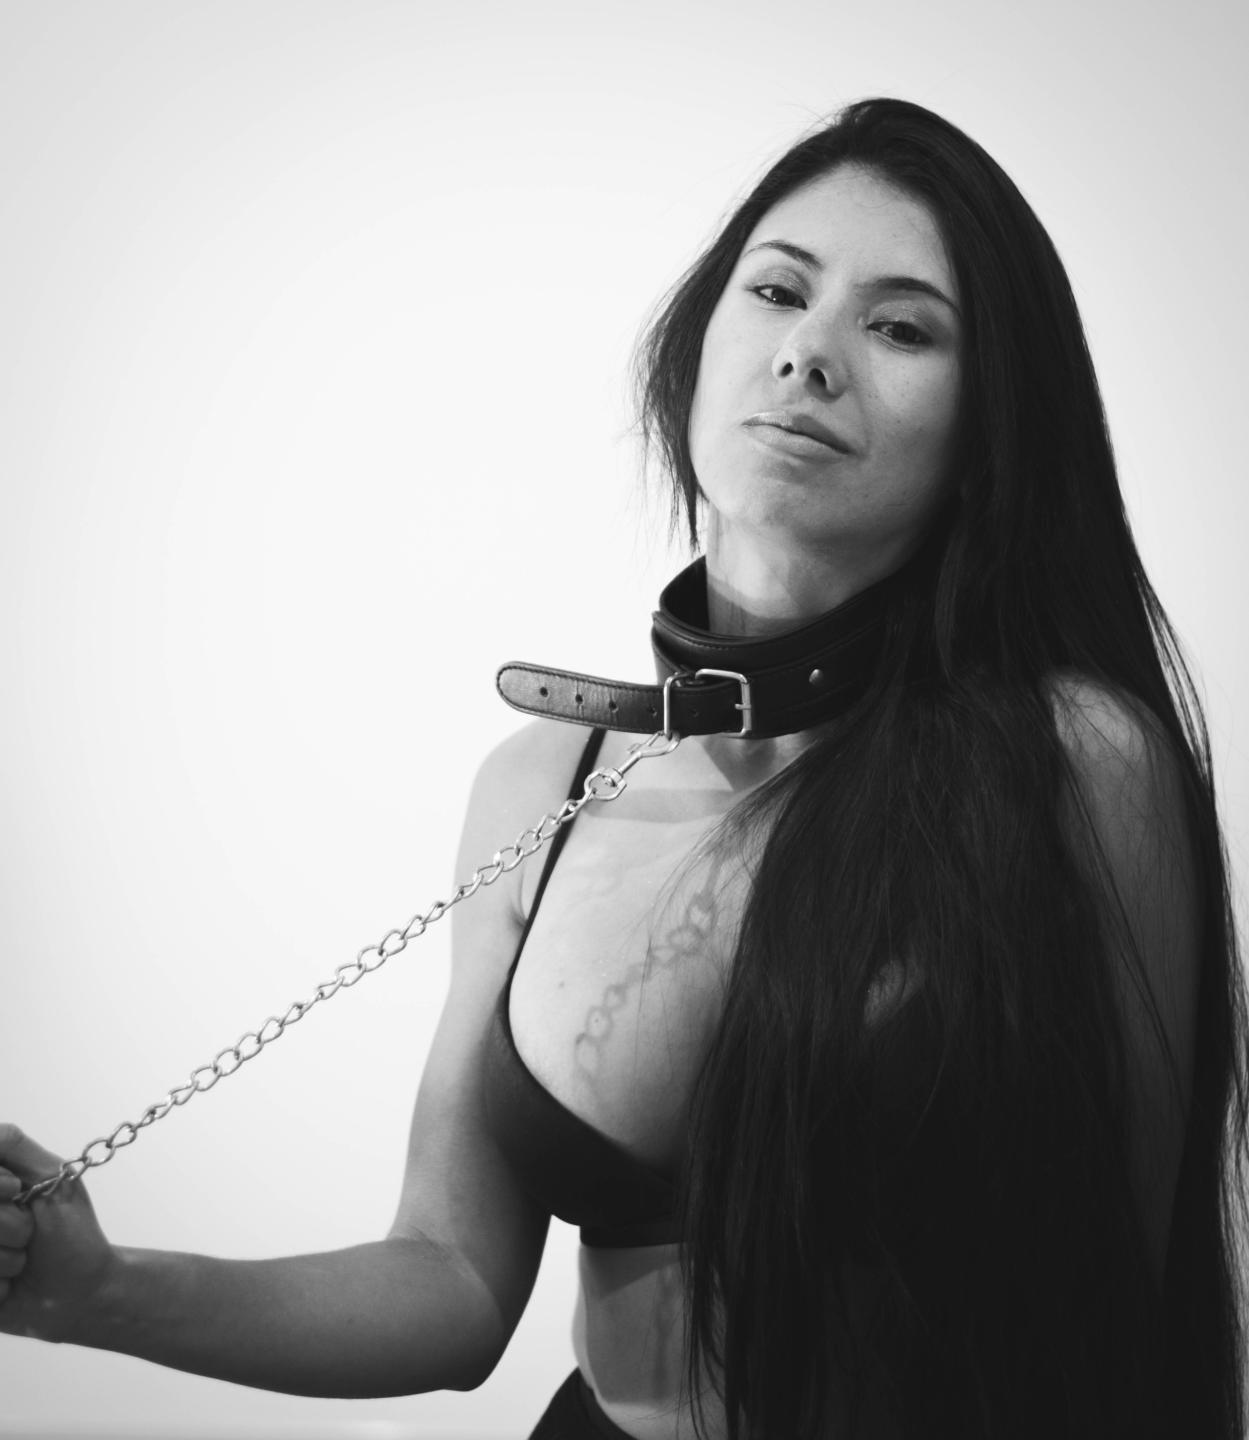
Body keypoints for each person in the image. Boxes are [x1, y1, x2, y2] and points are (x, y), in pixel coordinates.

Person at [0, 96, 1245, 1440]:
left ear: (988, 430)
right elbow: (452, 1276)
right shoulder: (538, 786)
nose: (809, 354)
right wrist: (96, 1290)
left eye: (900, 328)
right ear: (697, 346)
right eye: (777, 292)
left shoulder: (1076, 765)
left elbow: (1122, 1316)